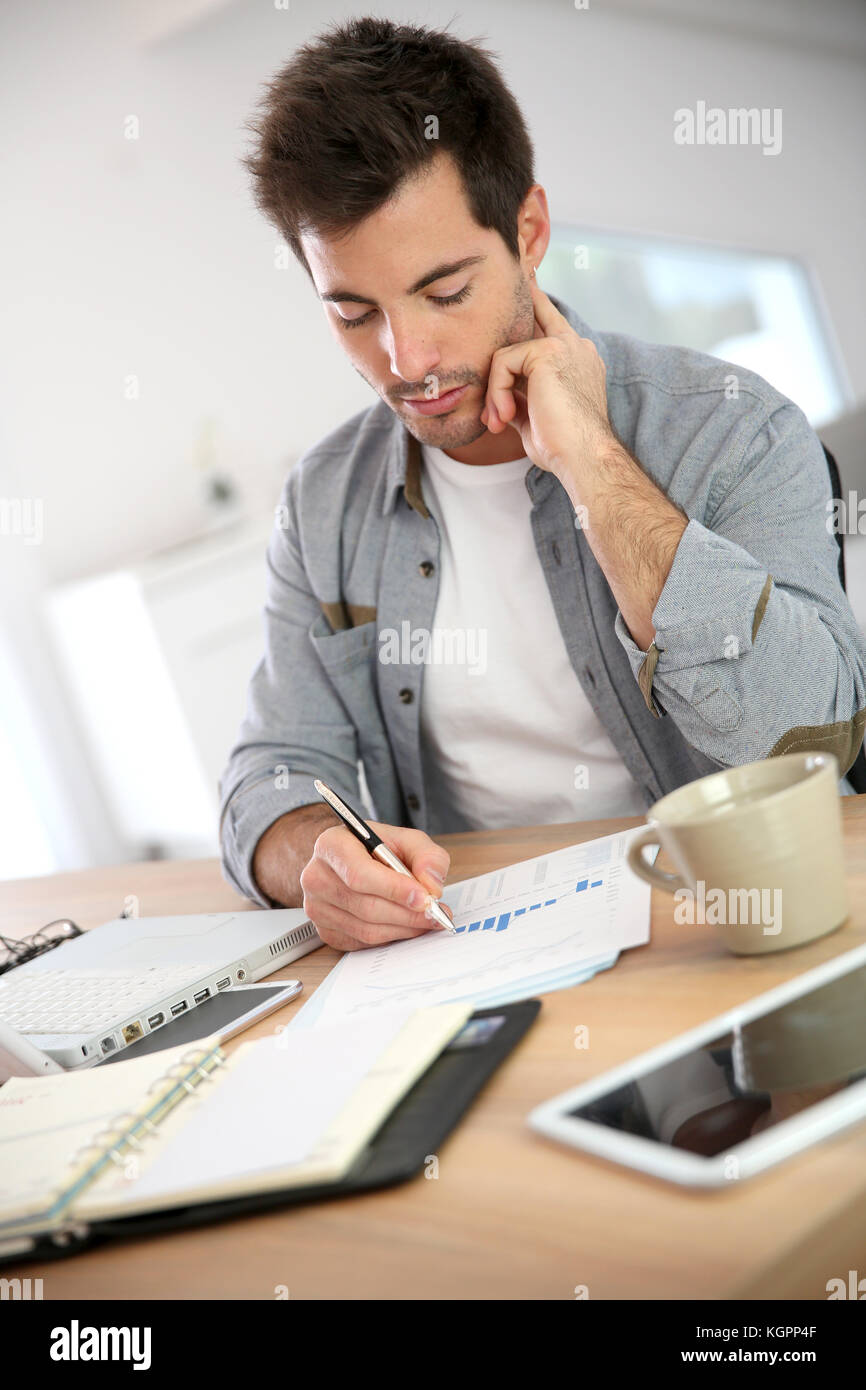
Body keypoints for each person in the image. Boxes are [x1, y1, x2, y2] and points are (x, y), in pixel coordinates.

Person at [218, 17, 866, 952]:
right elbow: (272, 772)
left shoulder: (732, 425)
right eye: (354, 312)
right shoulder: (323, 505)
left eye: (445, 292)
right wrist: (316, 855)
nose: (410, 360)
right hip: (486, 957)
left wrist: (592, 464)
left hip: (741, 934)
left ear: (529, 231)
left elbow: (815, 743)